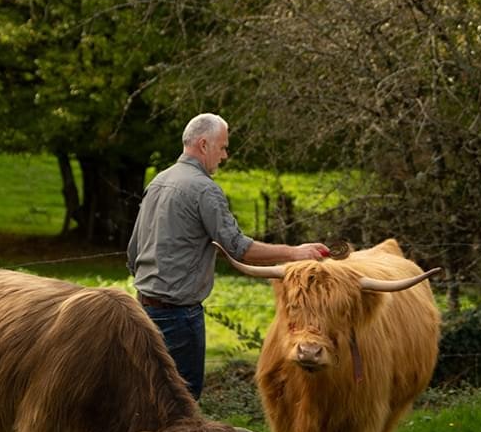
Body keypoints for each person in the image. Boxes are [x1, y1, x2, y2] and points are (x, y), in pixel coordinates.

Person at [126, 113, 329, 399]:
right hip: (179, 314)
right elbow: (239, 248)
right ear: (203, 144)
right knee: (183, 398)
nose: (225, 155)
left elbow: (133, 251)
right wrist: (295, 252)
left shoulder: (159, 181)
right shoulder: (204, 189)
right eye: (222, 147)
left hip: (142, 309)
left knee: (146, 394)